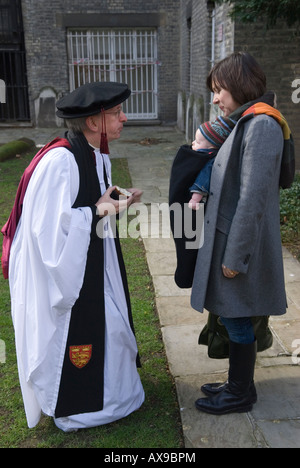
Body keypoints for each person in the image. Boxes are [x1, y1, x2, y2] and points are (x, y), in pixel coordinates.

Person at [1, 81, 145, 431]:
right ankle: (78, 407)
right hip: (68, 273)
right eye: (116, 113)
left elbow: (95, 206)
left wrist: (117, 204)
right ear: (94, 122)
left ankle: (113, 394)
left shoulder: (93, 152)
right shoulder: (61, 160)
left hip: (94, 264)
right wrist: (98, 211)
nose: (125, 117)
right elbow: (49, 234)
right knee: (87, 331)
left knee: (111, 325)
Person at [190, 52, 295, 415]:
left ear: (240, 85)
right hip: (227, 236)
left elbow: (253, 199)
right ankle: (239, 384)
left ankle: (240, 393)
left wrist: (235, 257)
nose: (215, 98)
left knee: (236, 315)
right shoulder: (247, 120)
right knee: (231, 314)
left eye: (220, 89)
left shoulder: (263, 125)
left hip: (239, 244)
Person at [188, 116, 236, 210]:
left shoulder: (211, 161)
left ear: (210, 148)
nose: (193, 143)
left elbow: (203, 178)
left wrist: (195, 199)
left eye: (197, 142)